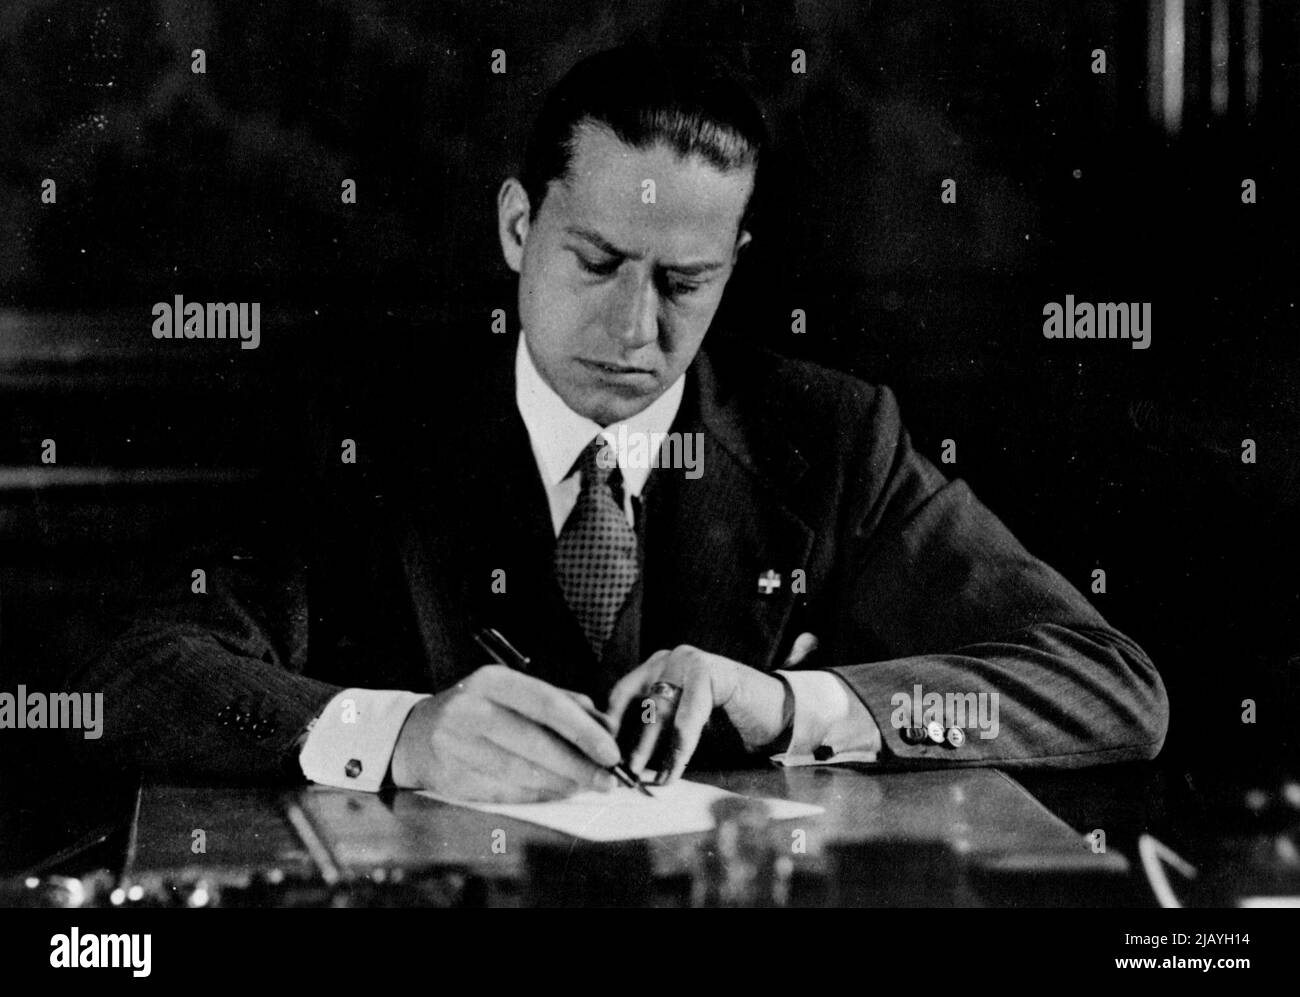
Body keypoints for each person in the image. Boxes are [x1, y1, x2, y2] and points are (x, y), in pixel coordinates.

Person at [70, 43, 1168, 802]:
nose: (635, 327)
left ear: (735, 269)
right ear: (517, 226)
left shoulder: (829, 438)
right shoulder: (357, 426)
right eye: (595, 262)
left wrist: (786, 704)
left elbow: (1106, 686)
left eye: (684, 282)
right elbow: (143, 675)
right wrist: (394, 734)